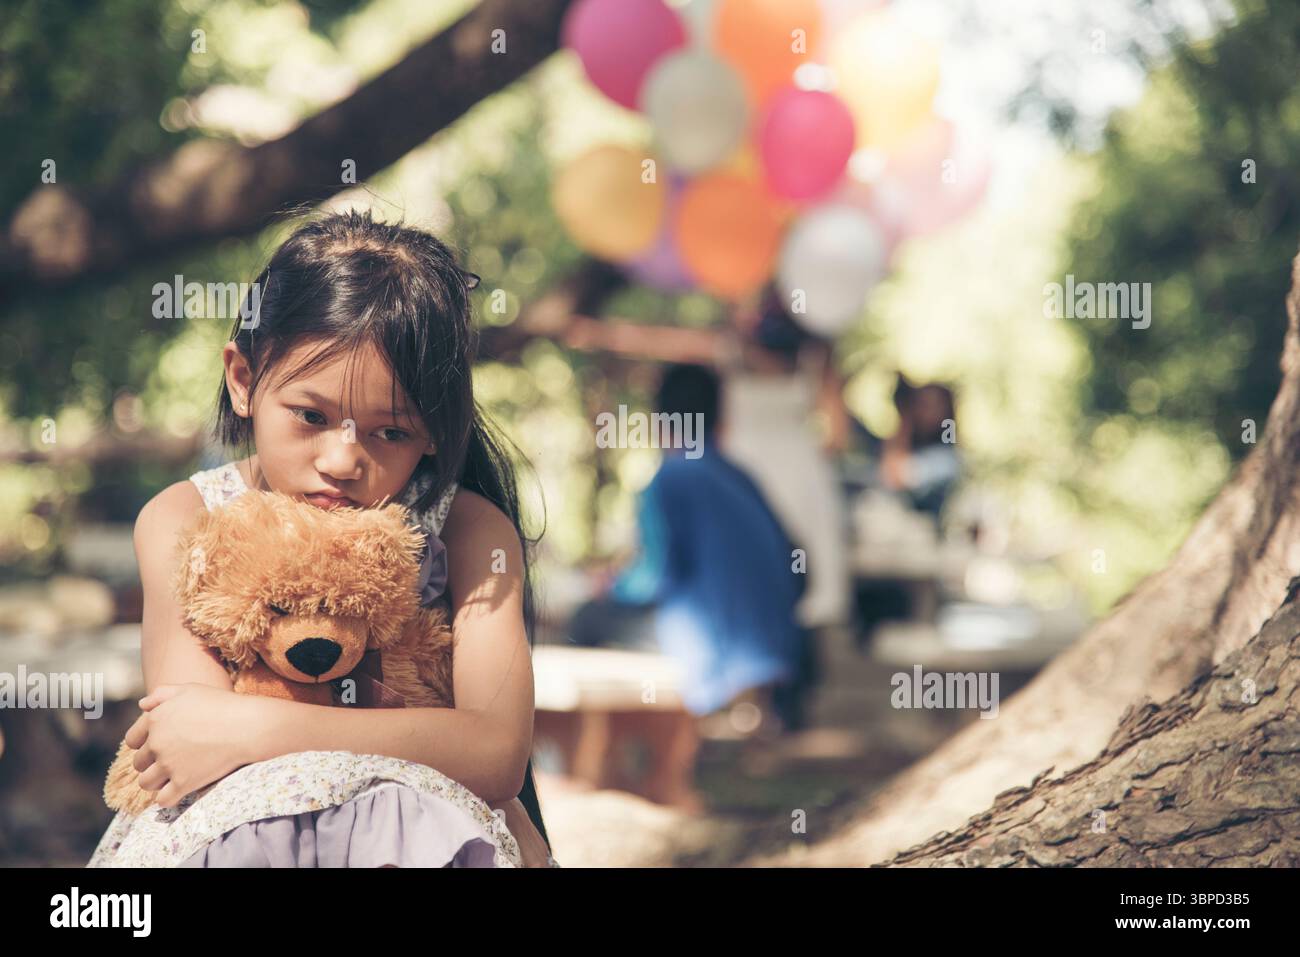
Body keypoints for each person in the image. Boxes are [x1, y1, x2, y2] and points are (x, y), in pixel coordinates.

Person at [87, 209, 556, 868]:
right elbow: (185, 740)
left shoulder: (468, 529)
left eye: (389, 431)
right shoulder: (184, 517)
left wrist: (252, 725)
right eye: (311, 416)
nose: (342, 459)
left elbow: (495, 751)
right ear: (245, 380)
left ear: (433, 435)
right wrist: (423, 737)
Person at [571, 363, 811, 734]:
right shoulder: (739, 475)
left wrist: (612, 585)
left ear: (660, 421)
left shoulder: (670, 478)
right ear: (720, 417)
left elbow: (656, 578)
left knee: (586, 619)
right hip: (777, 651)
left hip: (714, 656)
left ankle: (608, 747)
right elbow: (798, 569)